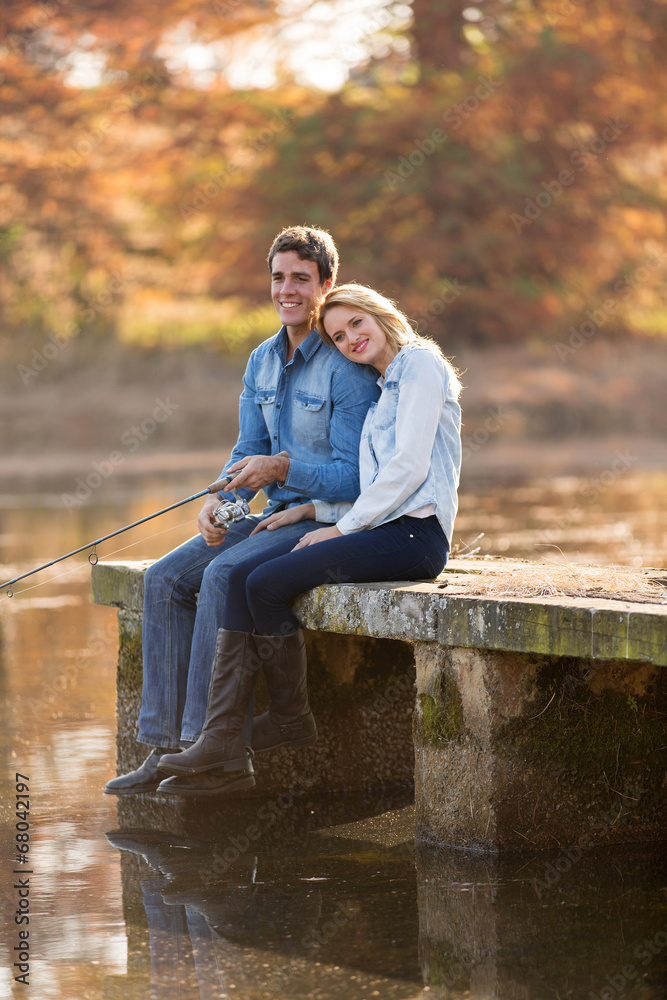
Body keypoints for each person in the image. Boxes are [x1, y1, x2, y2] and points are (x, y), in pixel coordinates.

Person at [156, 283, 462, 796]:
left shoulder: (421, 365)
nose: (350, 340)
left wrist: (336, 531)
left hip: (417, 536)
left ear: (380, 315)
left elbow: (408, 469)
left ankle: (287, 718)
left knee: (266, 581)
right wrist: (312, 509)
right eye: (339, 336)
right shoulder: (385, 384)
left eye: (356, 325)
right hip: (386, 528)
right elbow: (374, 482)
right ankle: (229, 734)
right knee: (250, 580)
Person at [105, 230, 380, 796]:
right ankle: (165, 749)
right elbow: (243, 451)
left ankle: (211, 747)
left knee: (222, 576)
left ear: (325, 286)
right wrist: (220, 502)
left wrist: (280, 470)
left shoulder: (346, 368)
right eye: (278, 277)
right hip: (265, 515)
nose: (287, 289)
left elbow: (355, 478)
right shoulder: (261, 360)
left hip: (317, 516)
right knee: (162, 579)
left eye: (301, 279)